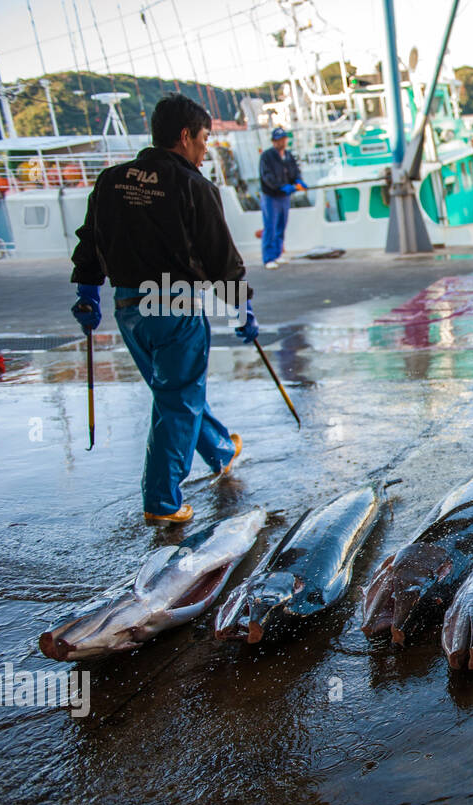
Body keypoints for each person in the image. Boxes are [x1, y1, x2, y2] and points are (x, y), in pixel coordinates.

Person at [70, 93, 257, 524]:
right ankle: (162, 501)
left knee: (174, 391)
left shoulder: (111, 180)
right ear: (185, 135)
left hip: (129, 307)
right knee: (177, 399)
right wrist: (242, 310)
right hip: (173, 303)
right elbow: (220, 258)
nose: (206, 148)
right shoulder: (195, 186)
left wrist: (87, 294)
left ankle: (220, 449)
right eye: (205, 138)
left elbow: (89, 241)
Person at [259, 126, 306, 269]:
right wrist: (281, 186)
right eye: (279, 140)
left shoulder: (288, 156)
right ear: (274, 141)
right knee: (270, 226)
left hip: (284, 197)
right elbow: (267, 177)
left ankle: (277, 254)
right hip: (271, 196)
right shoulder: (266, 156)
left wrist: (298, 181)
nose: (282, 142)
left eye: (284, 139)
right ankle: (268, 258)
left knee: (281, 225)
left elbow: (295, 171)